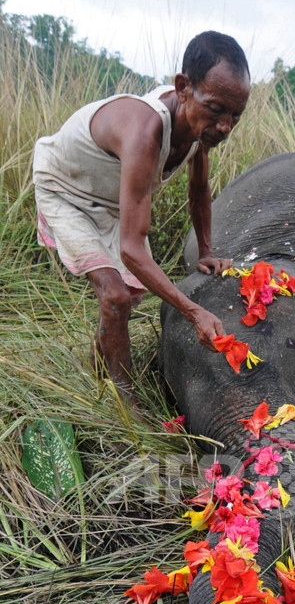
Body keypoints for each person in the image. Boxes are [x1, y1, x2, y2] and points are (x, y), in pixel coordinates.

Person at [33, 31, 250, 406]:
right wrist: (193, 311)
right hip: (66, 190)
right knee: (115, 294)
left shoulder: (198, 129)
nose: (226, 126)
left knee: (127, 298)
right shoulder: (144, 131)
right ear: (183, 87)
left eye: (236, 114)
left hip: (114, 200)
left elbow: (198, 192)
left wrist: (207, 251)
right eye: (217, 109)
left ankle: (100, 364)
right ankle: (127, 406)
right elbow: (133, 250)